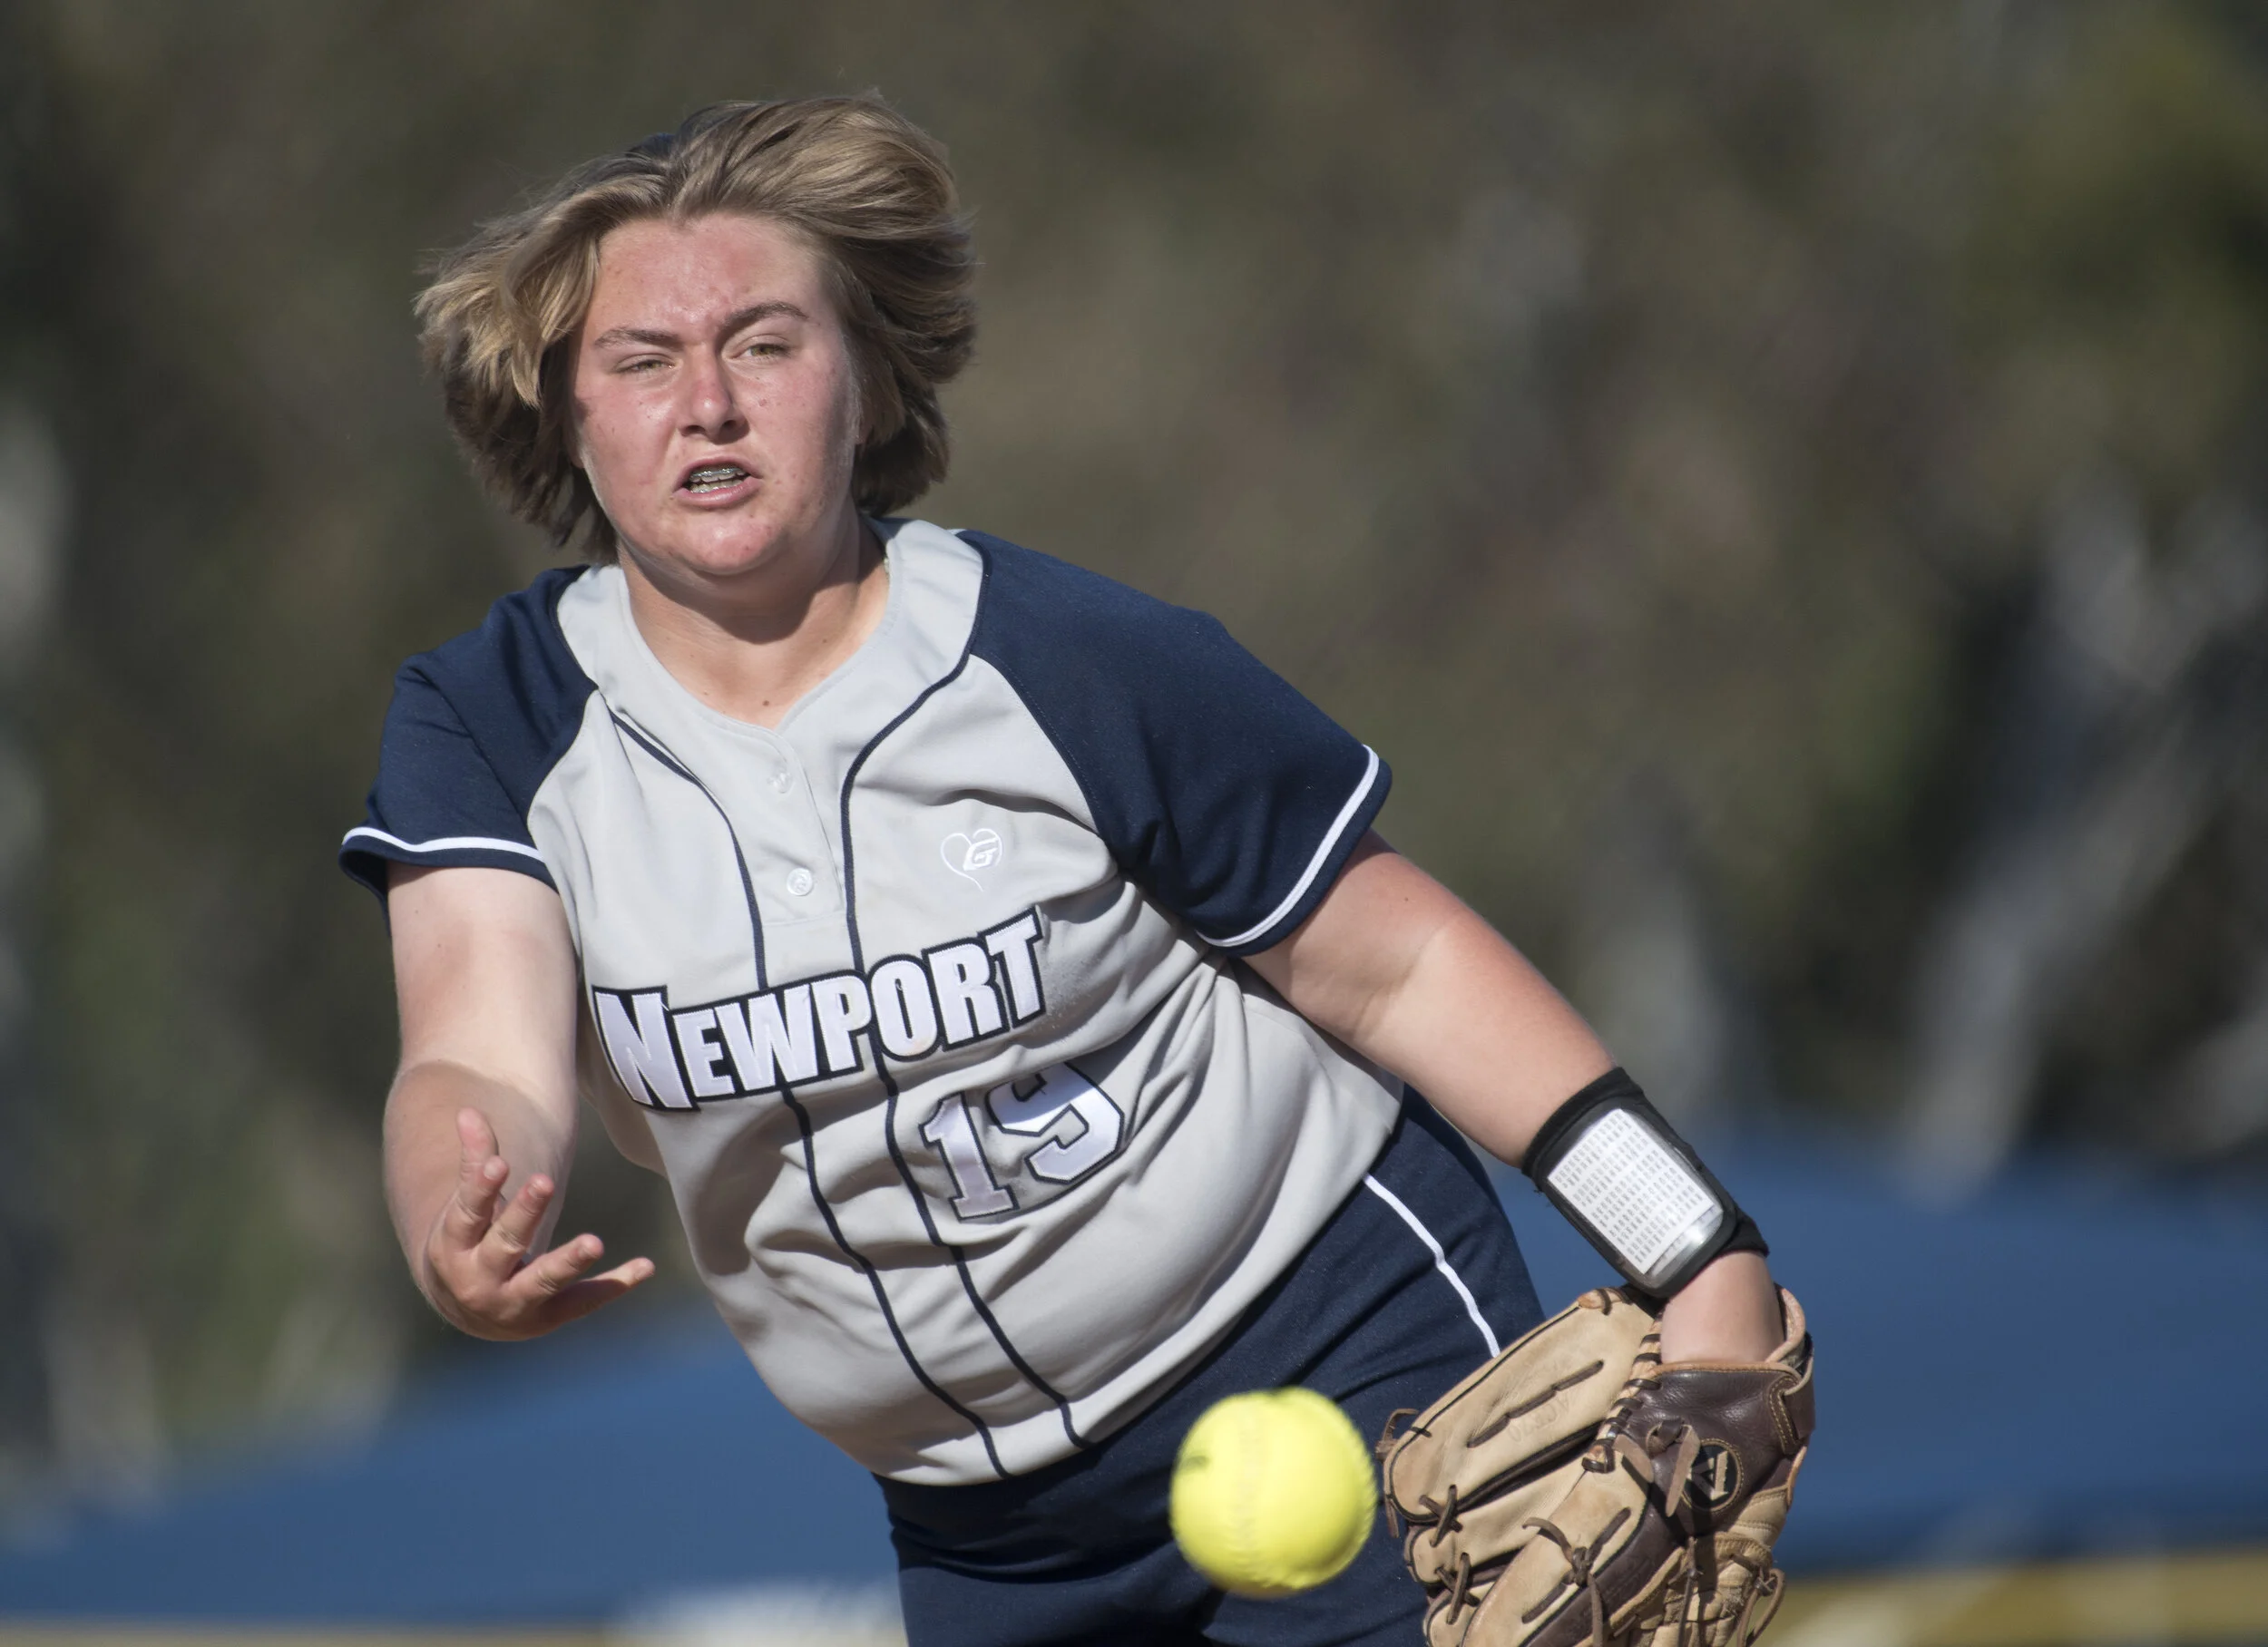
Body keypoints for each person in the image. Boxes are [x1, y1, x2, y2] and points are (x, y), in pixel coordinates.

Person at [341, 96, 1787, 1647]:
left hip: (1342, 1349)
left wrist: (1699, 1255)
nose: (708, 403)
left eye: (765, 344)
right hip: (991, 1529)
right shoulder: (495, 723)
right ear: (563, 410)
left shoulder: (1069, 662)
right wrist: (455, 1223)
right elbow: (476, 1053)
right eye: (641, 361)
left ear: (868, 382)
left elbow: (1403, 965)